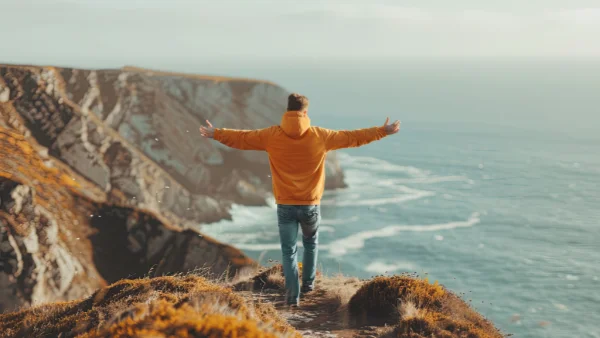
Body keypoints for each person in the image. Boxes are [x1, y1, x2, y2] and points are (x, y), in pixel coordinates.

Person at [199, 93, 400, 307]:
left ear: (287, 111)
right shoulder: (320, 135)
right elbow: (353, 137)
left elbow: (243, 138)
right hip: (310, 205)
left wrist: (216, 133)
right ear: (305, 112)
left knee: (288, 250)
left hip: (285, 204)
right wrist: (382, 131)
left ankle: (292, 296)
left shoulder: (271, 135)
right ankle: (309, 285)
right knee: (311, 244)